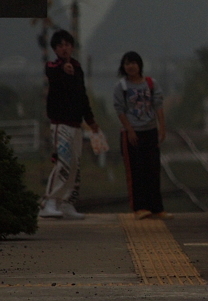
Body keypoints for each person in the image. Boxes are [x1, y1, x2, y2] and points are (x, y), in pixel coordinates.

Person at [40, 30, 99, 220]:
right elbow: (52, 72)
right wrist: (63, 71)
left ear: (72, 47)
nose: (64, 48)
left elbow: (82, 96)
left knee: (75, 165)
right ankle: (49, 201)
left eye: (67, 44)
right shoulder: (53, 66)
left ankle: (66, 203)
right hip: (60, 124)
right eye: (60, 45)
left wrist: (90, 121)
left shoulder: (77, 67)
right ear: (55, 49)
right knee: (63, 163)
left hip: (76, 125)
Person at [113, 51, 169, 219]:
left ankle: (156, 208)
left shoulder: (151, 84)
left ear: (140, 65)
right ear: (123, 67)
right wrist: (129, 130)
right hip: (132, 133)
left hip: (150, 131)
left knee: (153, 169)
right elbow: (119, 110)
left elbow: (158, 105)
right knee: (136, 171)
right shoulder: (121, 87)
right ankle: (139, 207)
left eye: (134, 63)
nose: (131, 66)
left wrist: (161, 127)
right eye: (127, 63)